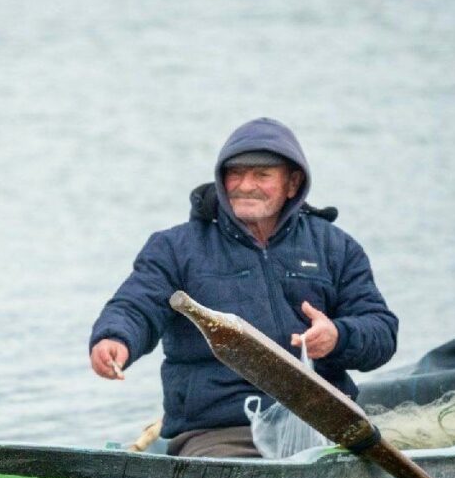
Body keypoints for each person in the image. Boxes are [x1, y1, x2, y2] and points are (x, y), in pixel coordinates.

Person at [89, 117, 398, 458]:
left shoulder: (335, 247)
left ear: (292, 183)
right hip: (219, 430)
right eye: (235, 174)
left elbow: (381, 331)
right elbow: (136, 304)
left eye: (262, 175)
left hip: (326, 426)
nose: (245, 185)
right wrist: (114, 338)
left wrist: (337, 336)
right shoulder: (175, 248)